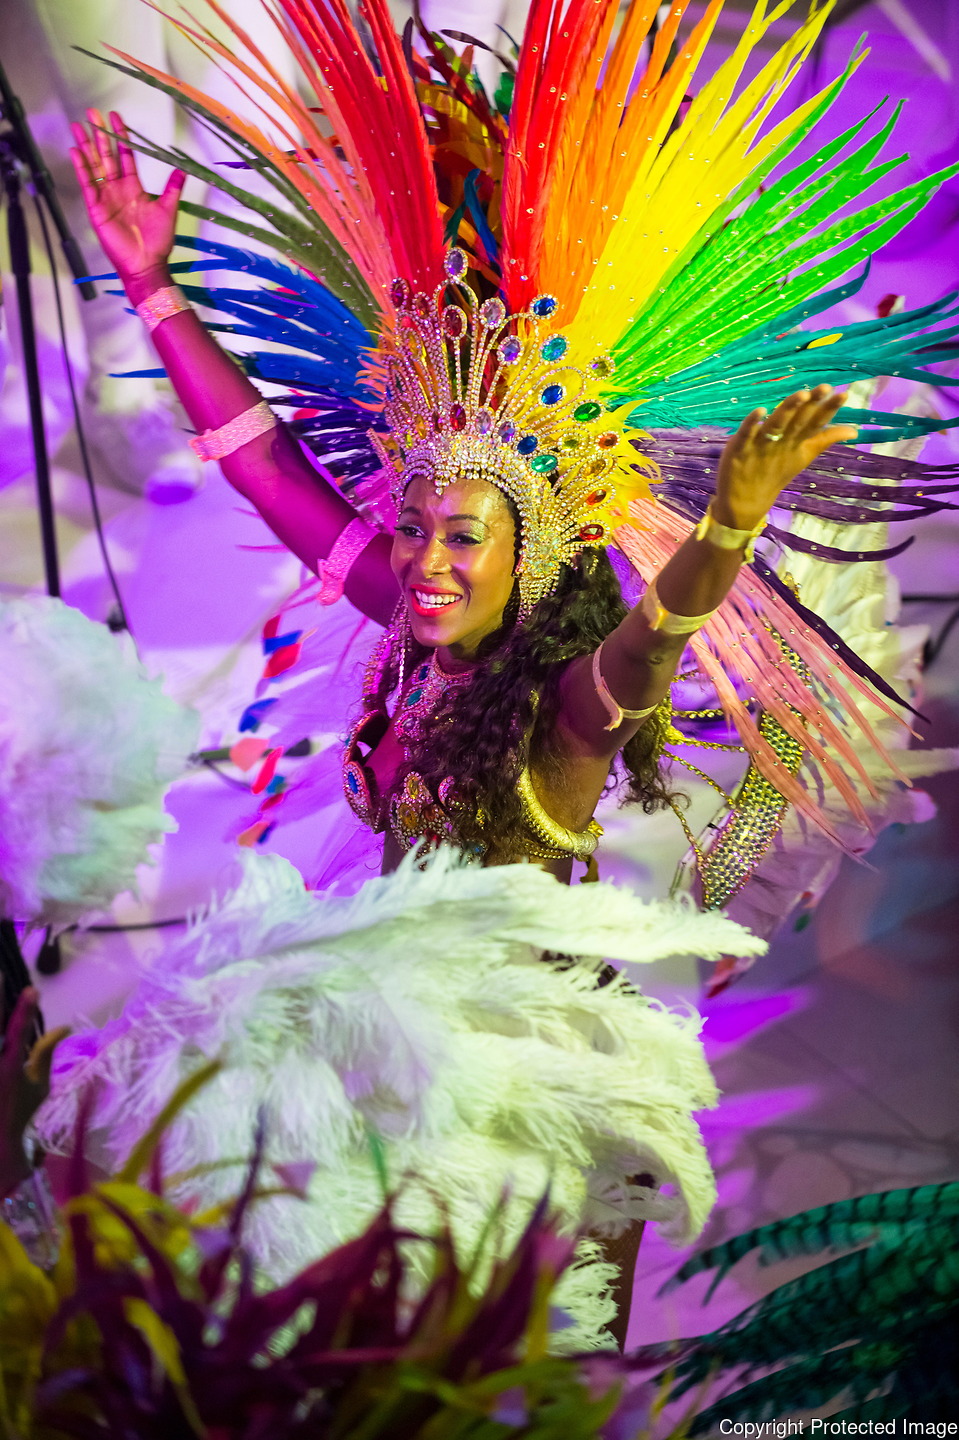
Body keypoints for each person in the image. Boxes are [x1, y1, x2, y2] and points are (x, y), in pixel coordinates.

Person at [39, 0, 959, 1349]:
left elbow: (647, 645)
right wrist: (155, 290)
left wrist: (726, 529)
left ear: (531, 554)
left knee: (531, 1347)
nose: (419, 559)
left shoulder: (559, 711)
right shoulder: (416, 622)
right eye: (412, 525)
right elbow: (264, 463)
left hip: (526, 1067)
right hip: (382, 994)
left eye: (459, 537)